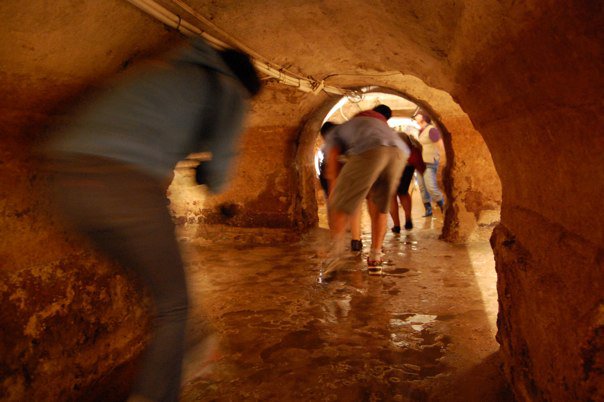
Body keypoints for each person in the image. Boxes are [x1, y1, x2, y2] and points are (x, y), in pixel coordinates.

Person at [41, 37, 261, 402]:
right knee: (175, 301)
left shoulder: (160, 69)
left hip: (66, 183)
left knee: (157, 279)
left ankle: (193, 344)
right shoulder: (228, 90)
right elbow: (219, 173)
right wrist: (207, 172)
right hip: (124, 186)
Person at [324, 104, 409, 274]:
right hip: (399, 151)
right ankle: (375, 258)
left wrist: (337, 197)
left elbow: (332, 172)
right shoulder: (376, 125)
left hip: (371, 149)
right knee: (380, 206)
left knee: (339, 204)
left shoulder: (335, 132)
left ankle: (335, 256)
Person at [318, 122, 363, 252]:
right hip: (356, 173)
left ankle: (337, 243)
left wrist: (332, 192)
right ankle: (356, 240)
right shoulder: (351, 140)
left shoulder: (332, 142)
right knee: (355, 206)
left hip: (340, 176)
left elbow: (332, 169)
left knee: (336, 209)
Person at [389, 130, 426, 231]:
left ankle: (396, 226)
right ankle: (408, 219)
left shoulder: (388, 138)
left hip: (393, 166)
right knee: (403, 192)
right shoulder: (407, 139)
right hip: (408, 166)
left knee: (391, 195)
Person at [414, 109, 445, 217]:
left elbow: (440, 144)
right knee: (422, 188)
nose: (415, 116)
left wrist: (442, 159)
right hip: (420, 163)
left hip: (430, 161)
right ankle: (428, 209)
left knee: (431, 187)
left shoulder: (431, 130)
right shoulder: (421, 130)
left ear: (423, 117)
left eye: (417, 115)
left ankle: (444, 208)